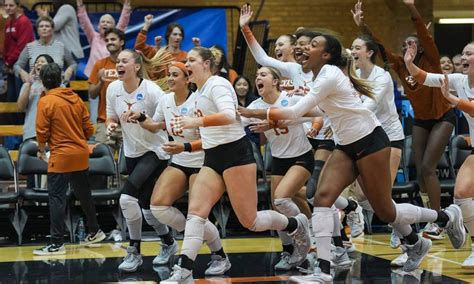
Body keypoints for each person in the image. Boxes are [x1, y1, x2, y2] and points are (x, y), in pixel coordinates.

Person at [239, 33, 465, 281]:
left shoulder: (329, 75)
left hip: (370, 141)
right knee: (322, 198)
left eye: (313, 44)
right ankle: (323, 271)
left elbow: (295, 110)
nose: (305, 47)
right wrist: (271, 117)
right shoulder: (318, 76)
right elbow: (315, 111)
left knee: (386, 211)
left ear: (326, 55)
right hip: (345, 145)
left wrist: (256, 112)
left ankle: (445, 216)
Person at [161, 47, 311, 283]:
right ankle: (184, 270)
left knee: (250, 221)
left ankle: (295, 224)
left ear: (207, 64)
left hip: (236, 154)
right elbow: (209, 129)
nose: (186, 64)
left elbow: (230, 115)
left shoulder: (218, 84)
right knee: (195, 214)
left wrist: (195, 120)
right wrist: (187, 140)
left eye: (191, 60)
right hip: (212, 158)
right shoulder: (198, 92)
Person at [352, 0, 455, 240]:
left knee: (429, 167)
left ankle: (438, 220)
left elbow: (422, 34)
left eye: (412, 43)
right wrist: (363, 24)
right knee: (419, 170)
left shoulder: (430, 59)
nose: (407, 46)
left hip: (443, 117)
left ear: (420, 47)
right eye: (405, 43)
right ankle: (431, 216)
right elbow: (376, 45)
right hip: (421, 120)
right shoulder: (399, 64)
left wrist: (411, 7)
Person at [123, 62, 231, 276]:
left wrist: (185, 146)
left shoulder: (198, 101)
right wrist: (141, 117)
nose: (170, 78)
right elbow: (156, 126)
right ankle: (195, 235)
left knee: (196, 215)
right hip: (180, 161)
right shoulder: (165, 100)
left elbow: (211, 139)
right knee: (157, 206)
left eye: (174, 75)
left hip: (203, 162)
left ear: (187, 78)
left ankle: (219, 256)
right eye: (168, 75)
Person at [405, 40, 474, 269]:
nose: (464, 57)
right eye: (463, 52)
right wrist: (409, 63)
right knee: (461, 195)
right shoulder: (459, 80)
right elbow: (425, 78)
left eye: (470, 53)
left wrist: (455, 101)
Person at [106, 49, 173, 273]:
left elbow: (166, 122)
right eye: (117, 61)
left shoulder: (152, 91)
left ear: (136, 66)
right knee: (147, 210)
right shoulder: (113, 89)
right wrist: (111, 125)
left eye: (124, 61)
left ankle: (134, 251)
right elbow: (111, 116)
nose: (119, 64)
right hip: (132, 152)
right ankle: (169, 243)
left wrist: (145, 119)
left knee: (126, 199)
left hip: (156, 151)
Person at [241, 66, 315, 271]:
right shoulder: (254, 105)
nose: (258, 78)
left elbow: (314, 114)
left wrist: (273, 123)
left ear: (275, 81)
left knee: (282, 198)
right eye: (256, 75)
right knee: (277, 207)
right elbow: (236, 124)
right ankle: (289, 250)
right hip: (279, 160)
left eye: (263, 74)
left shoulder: (291, 98)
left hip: (302, 156)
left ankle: (305, 233)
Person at [33, 62, 105, 255]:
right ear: (61, 79)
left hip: (61, 156)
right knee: (84, 194)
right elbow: (89, 128)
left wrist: (40, 150)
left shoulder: (46, 101)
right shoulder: (74, 98)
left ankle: (56, 243)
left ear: (43, 81)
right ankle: (94, 230)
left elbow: (42, 132)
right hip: (81, 154)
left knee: (56, 198)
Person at [14, 16, 76, 86]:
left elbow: (73, 64)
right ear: (37, 30)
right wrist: (23, 73)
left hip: (57, 86)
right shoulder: (29, 46)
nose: (44, 28)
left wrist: (69, 71)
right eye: (41, 26)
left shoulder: (61, 46)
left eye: (47, 26)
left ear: (52, 30)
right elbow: (17, 66)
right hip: (35, 87)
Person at [88, 28, 124, 146]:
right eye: (107, 40)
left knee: (129, 162)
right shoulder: (100, 64)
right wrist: (101, 82)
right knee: (103, 162)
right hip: (104, 122)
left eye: (113, 39)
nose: (109, 42)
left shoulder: (130, 63)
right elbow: (92, 95)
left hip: (128, 123)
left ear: (121, 42)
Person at [76, 0, 131, 77]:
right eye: (103, 22)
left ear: (113, 27)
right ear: (98, 26)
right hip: (93, 75)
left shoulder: (116, 36)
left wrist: (126, 7)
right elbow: (85, 23)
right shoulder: (93, 37)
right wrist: (80, 6)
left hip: (112, 74)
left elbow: (123, 23)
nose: (105, 23)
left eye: (108, 22)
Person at [17, 54, 54, 141]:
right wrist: (29, 83)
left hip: (53, 133)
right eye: (37, 62)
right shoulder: (27, 85)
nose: (38, 64)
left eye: (42, 62)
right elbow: (20, 107)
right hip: (31, 132)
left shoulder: (59, 85)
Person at [4, 0, 34, 102]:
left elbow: (22, 47)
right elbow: (6, 45)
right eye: (6, 5)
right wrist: (6, 62)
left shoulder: (24, 21)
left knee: (21, 97)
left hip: (23, 65)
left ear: (18, 6)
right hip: (10, 65)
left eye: (11, 5)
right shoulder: (8, 22)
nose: (8, 7)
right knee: (11, 98)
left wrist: (9, 62)